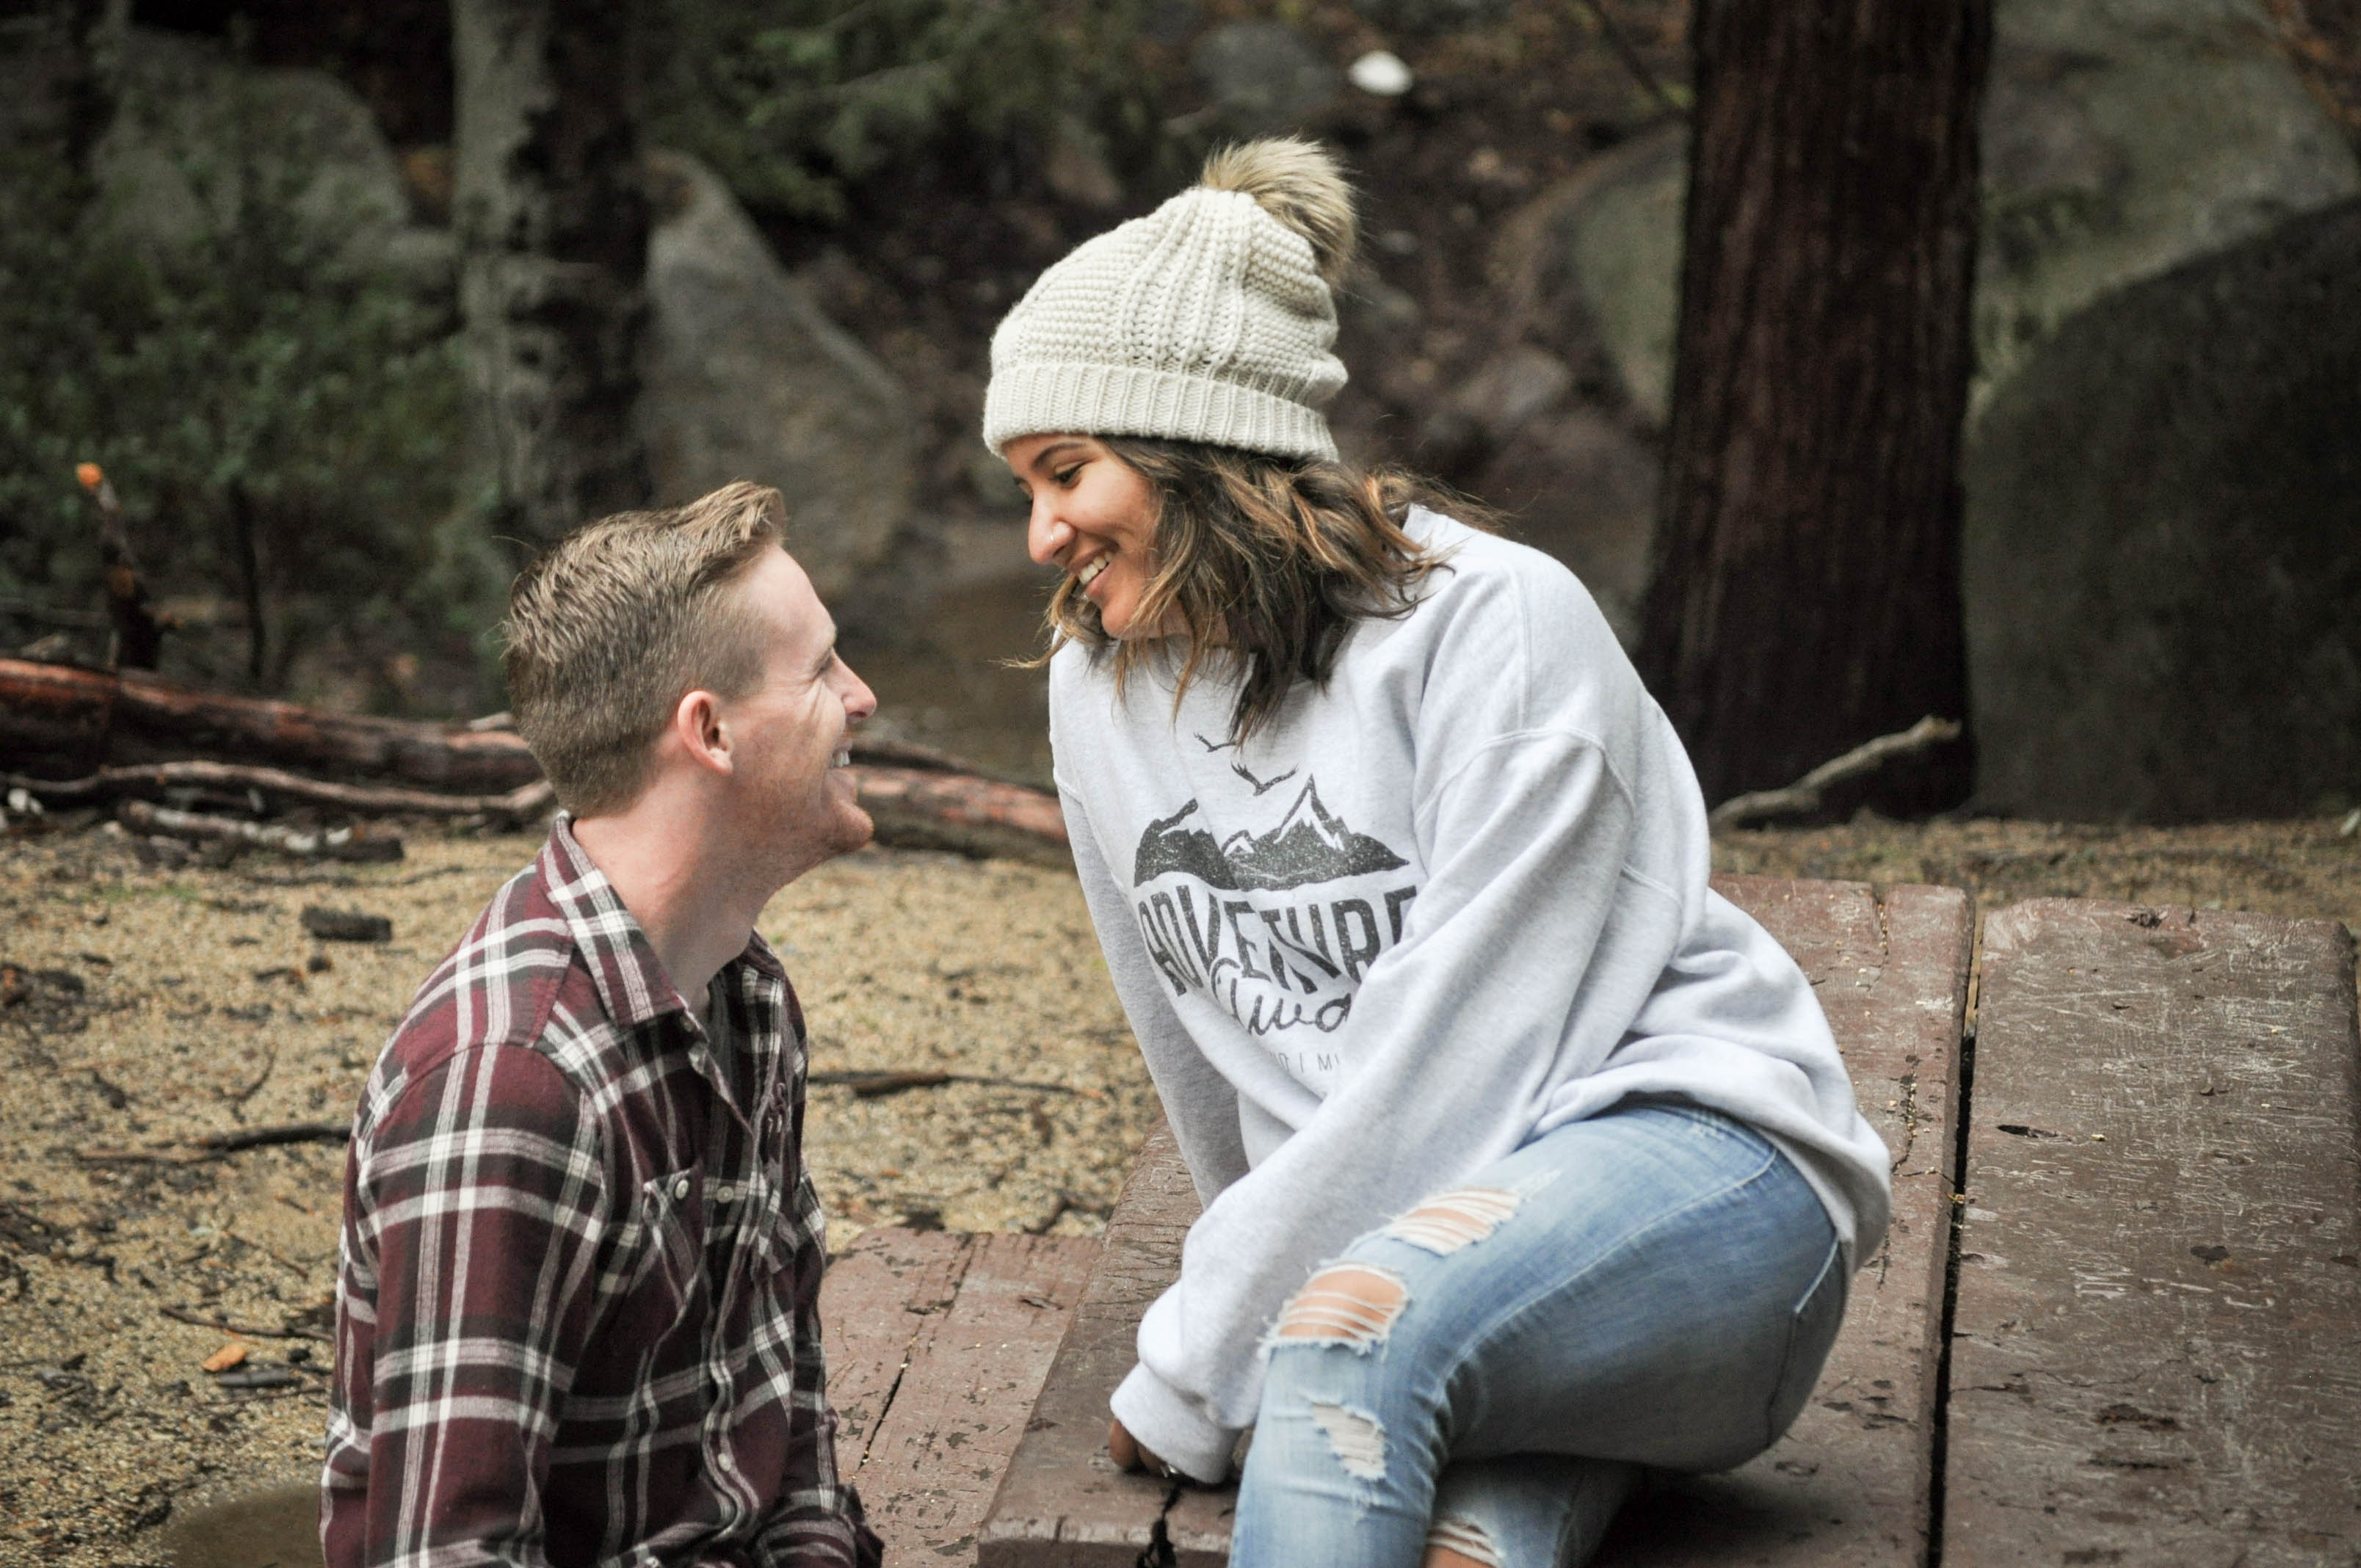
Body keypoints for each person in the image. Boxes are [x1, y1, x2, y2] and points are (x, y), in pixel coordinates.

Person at [983, 139, 1893, 1568]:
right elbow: (1206, 1051)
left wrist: (1211, 1356)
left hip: (1703, 1177)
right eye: (1023, 486)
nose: (1042, 534)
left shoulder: (1493, 626)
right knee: (1448, 1500)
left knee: (1340, 1347)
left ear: (1192, 441)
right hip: (1434, 1255)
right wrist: (1247, 1313)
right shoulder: (1098, 690)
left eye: (1066, 471)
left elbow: (1468, 1056)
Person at [322, 484, 884, 1568]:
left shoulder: (746, 998)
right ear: (709, 731)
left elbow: (784, 1426)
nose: (861, 697)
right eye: (821, 669)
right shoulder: (509, 1090)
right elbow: (446, 1555)